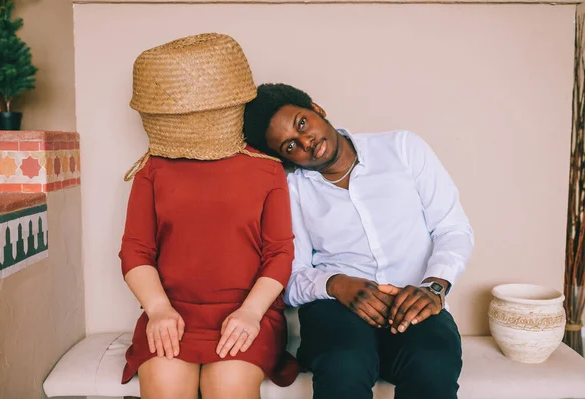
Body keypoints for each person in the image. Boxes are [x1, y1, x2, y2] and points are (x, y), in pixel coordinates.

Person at [243, 83, 475, 399]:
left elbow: (452, 229)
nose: (306, 142)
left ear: (316, 109)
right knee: (344, 365)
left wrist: (434, 287)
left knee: (432, 365)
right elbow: (290, 277)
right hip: (336, 312)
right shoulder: (292, 189)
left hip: (414, 297)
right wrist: (337, 284)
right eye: (290, 146)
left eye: (301, 124)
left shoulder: (403, 148)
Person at [119, 37, 299, 399]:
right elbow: (135, 251)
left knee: (229, 388)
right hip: (171, 313)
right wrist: (158, 309)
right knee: (166, 389)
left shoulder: (267, 170)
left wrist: (250, 313)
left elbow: (279, 254)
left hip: (250, 314)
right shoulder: (152, 168)